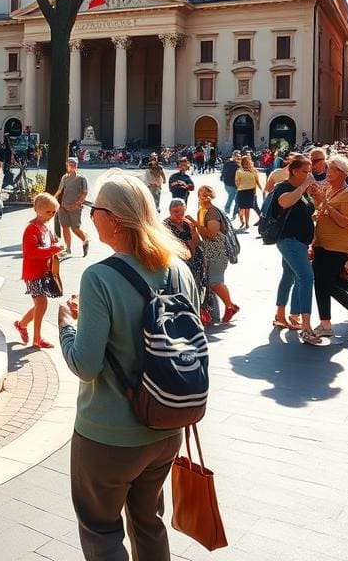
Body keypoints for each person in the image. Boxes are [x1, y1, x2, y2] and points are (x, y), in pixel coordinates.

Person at [57, 174, 199, 560]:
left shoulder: (100, 277)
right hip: (167, 425)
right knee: (149, 522)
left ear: (115, 220)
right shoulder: (178, 269)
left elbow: (85, 365)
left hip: (108, 434)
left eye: (94, 210)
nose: (90, 217)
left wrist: (67, 325)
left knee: (101, 530)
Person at [310, 155, 348, 337]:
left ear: (343, 173)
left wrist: (325, 204)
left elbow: (345, 222)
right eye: (328, 168)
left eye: (332, 169)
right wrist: (317, 201)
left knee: (323, 281)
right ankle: (329, 322)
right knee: (321, 281)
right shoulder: (328, 190)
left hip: (338, 245)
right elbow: (320, 214)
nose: (328, 171)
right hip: (321, 243)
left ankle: (343, 315)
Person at [272, 153, 321, 343]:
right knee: (307, 277)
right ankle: (306, 328)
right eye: (304, 171)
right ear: (293, 171)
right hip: (289, 240)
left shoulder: (304, 190)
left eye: (310, 171)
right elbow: (284, 202)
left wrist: (316, 195)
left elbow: (310, 211)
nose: (309, 175)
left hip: (300, 241)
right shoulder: (284, 187)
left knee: (289, 275)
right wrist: (303, 187)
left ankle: (281, 315)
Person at [15, 192, 65, 349]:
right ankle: (37, 338)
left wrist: (56, 246)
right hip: (33, 273)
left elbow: (51, 243)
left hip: (43, 272)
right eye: (48, 212)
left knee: (40, 305)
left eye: (53, 212)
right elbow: (31, 253)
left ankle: (22, 325)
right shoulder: (31, 229)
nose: (51, 215)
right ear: (37, 209)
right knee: (42, 303)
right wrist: (53, 249)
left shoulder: (45, 227)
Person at [192, 184, 238, 324]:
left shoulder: (212, 212)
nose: (205, 197)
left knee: (215, 282)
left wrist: (194, 223)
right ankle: (214, 312)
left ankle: (230, 306)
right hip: (209, 250)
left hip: (218, 251)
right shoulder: (202, 211)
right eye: (202, 194)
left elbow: (211, 234)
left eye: (207, 194)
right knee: (210, 281)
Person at [164, 198, 206, 321]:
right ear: (170, 211)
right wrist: (189, 244)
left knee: (196, 289)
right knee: (182, 291)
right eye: (175, 211)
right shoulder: (165, 226)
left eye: (182, 211)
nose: (179, 214)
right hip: (179, 264)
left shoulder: (187, 223)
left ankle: (196, 316)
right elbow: (170, 246)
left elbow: (197, 241)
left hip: (195, 262)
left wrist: (193, 231)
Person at [54, 157, 91, 257]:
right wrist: (52, 199)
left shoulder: (81, 178)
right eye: (68, 164)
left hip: (75, 208)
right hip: (64, 207)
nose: (70, 166)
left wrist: (76, 204)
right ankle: (68, 248)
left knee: (75, 228)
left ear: (76, 166)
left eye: (72, 164)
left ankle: (85, 239)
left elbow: (84, 193)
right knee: (65, 227)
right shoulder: (65, 177)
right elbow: (59, 190)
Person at [234, 154, 262, 232]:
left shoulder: (254, 171)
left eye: (248, 162)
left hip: (250, 191)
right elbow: (236, 182)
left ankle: (247, 224)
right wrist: (241, 186)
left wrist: (262, 189)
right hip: (241, 191)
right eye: (245, 162)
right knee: (241, 209)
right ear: (242, 163)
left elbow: (257, 181)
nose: (246, 164)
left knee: (247, 209)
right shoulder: (239, 171)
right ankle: (242, 222)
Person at [220, 150, 240, 218]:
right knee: (232, 197)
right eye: (236, 156)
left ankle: (235, 212)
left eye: (238, 156)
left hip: (231, 184)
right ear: (233, 156)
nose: (237, 157)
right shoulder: (232, 164)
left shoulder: (233, 164)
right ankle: (227, 210)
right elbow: (223, 171)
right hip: (230, 184)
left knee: (235, 198)